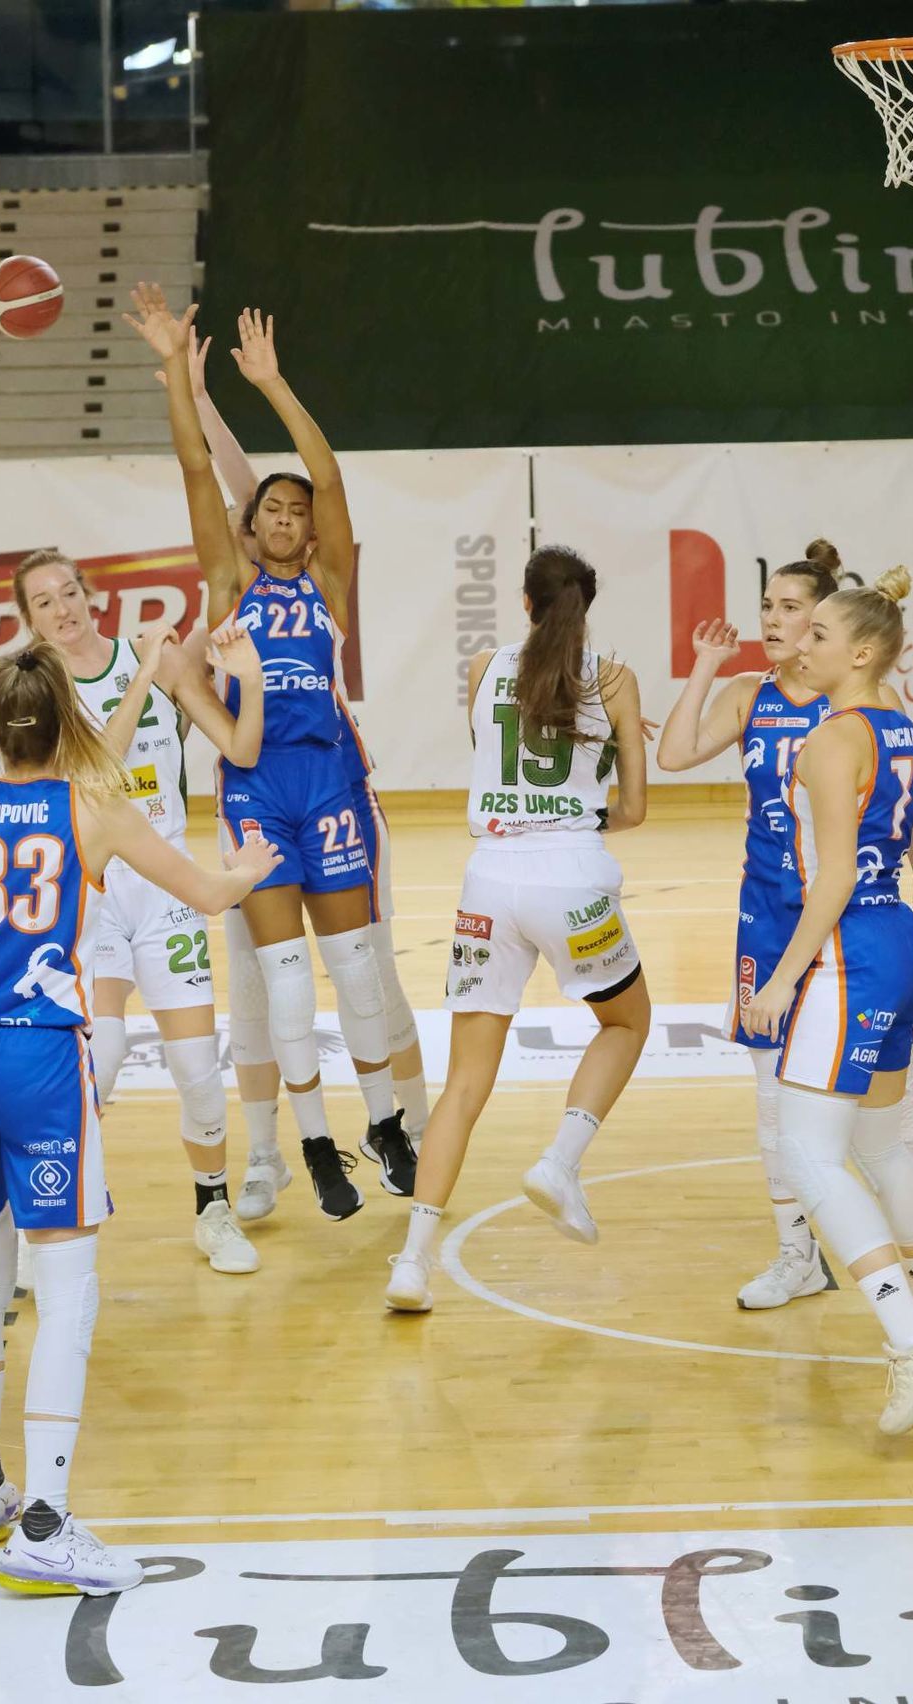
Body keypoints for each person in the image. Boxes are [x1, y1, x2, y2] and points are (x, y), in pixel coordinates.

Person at [0, 642, 276, 1592]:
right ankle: (43, 1526)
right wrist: (249, 866)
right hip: (37, 1056)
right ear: (67, 724)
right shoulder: (95, 811)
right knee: (68, 1289)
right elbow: (209, 894)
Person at [129, 284, 417, 1221]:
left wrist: (272, 384)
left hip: (330, 783)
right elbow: (191, 466)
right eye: (272, 509)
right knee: (285, 985)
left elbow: (329, 476)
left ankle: (385, 1125)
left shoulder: (330, 585)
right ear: (249, 528)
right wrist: (177, 376)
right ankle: (316, 1145)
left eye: (298, 510)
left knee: (359, 969)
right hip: (255, 789)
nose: (288, 515)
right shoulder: (228, 584)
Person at [657, 541, 913, 1313]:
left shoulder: (860, 711)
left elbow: (895, 840)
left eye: (795, 610)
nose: (775, 621)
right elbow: (675, 754)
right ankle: (802, 1257)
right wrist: (703, 668)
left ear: (834, 627)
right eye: (769, 607)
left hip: (850, 926)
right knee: (775, 1103)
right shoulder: (752, 695)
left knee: (888, 1113)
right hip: (772, 919)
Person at [743, 568, 913, 1436]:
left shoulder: (829, 741)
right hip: (901, 944)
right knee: (881, 1144)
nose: (800, 643)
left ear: (862, 653)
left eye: (818, 634)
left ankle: (911, 1339)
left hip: (849, 952)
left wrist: (783, 978)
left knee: (807, 1155)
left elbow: (837, 877)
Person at [385, 544, 650, 1313]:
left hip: (490, 882)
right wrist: (590, 794)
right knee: (626, 1023)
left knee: (464, 1083)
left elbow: (502, 760)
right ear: (585, 606)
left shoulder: (482, 668)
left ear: (525, 603)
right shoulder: (616, 680)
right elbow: (633, 810)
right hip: (570, 880)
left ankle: (411, 1264)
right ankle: (560, 1162)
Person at [14, 547, 267, 1274]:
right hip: (92, 887)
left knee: (196, 1065)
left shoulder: (153, 657)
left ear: (89, 594)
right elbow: (93, 778)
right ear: (27, 619)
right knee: (103, 1054)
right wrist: (145, 677)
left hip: (165, 881)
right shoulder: (36, 686)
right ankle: (45, 1219)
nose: (63, 609)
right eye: (43, 601)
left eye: (69, 592)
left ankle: (213, 1211)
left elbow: (241, 749)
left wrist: (248, 679)